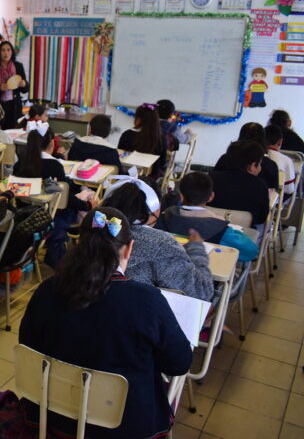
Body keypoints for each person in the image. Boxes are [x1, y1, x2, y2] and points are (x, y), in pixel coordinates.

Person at [19, 207, 192, 439]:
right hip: (126, 428)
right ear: (129, 248)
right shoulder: (147, 300)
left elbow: (27, 345)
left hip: (50, 417)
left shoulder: (47, 290)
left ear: (78, 242)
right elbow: (179, 364)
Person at [102, 178, 214, 301]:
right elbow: (202, 291)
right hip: (142, 312)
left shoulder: (95, 230)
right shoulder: (162, 244)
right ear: (155, 209)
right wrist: (196, 248)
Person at [14, 126, 98, 267]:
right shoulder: (54, 166)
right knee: (84, 198)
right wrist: (87, 205)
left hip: (24, 215)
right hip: (51, 216)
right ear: (52, 143)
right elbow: (66, 199)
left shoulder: (20, 164)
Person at [157, 172, 259, 263]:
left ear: (181, 195)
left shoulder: (163, 218)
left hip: (160, 279)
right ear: (211, 196)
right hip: (202, 279)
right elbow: (251, 251)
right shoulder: (219, 229)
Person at [210, 140, 270, 228]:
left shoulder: (211, 178)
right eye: (260, 164)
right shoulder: (260, 186)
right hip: (244, 234)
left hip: (211, 229)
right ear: (252, 166)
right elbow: (261, 218)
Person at [215, 122, 279, 190]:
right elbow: (273, 193)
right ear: (263, 141)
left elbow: (213, 184)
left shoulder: (225, 158)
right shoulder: (270, 165)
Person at [0, 40, 29, 130]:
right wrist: (0, 88)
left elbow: (25, 90)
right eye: (3, 50)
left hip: (14, 106)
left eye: (8, 50)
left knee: (13, 132)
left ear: (12, 52)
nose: (6, 53)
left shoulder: (18, 66)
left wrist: (24, 84)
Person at [117, 104, 167, 177]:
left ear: (138, 119)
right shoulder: (160, 138)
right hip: (150, 178)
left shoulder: (127, 134)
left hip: (126, 176)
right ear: (155, 120)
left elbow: (120, 156)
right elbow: (162, 163)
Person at [265, 125, 296, 199]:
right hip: (273, 200)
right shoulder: (286, 160)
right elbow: (289, 189)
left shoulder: (254, 155)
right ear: (280, 142)